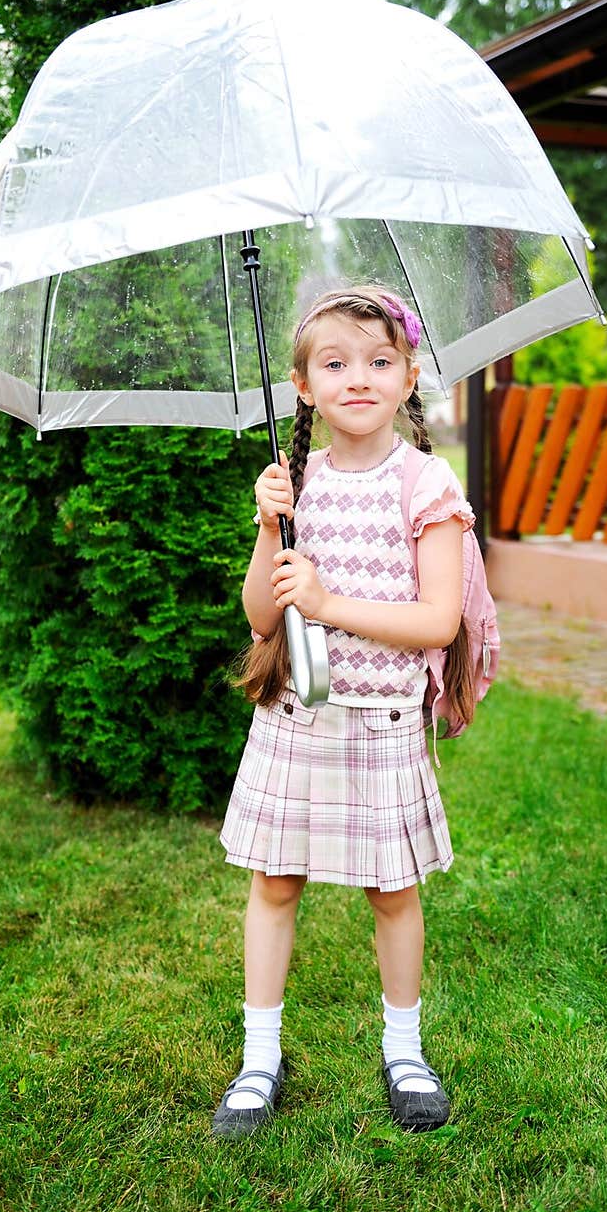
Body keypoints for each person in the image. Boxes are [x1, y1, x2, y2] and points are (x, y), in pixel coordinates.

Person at [212, 285, 475, 1139]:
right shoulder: (299, 484)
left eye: (378, 361)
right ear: (303, 385)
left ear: (407, 379)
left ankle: (404, 1049)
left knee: (391, 890)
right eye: (335, 363)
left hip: (384, 720)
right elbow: (261, 616)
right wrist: (268, 526)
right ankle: (260, 1058)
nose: (357, 378)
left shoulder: (425, 482)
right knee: (274, 883)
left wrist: (326, 602)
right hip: (298, 719)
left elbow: (438, 620)